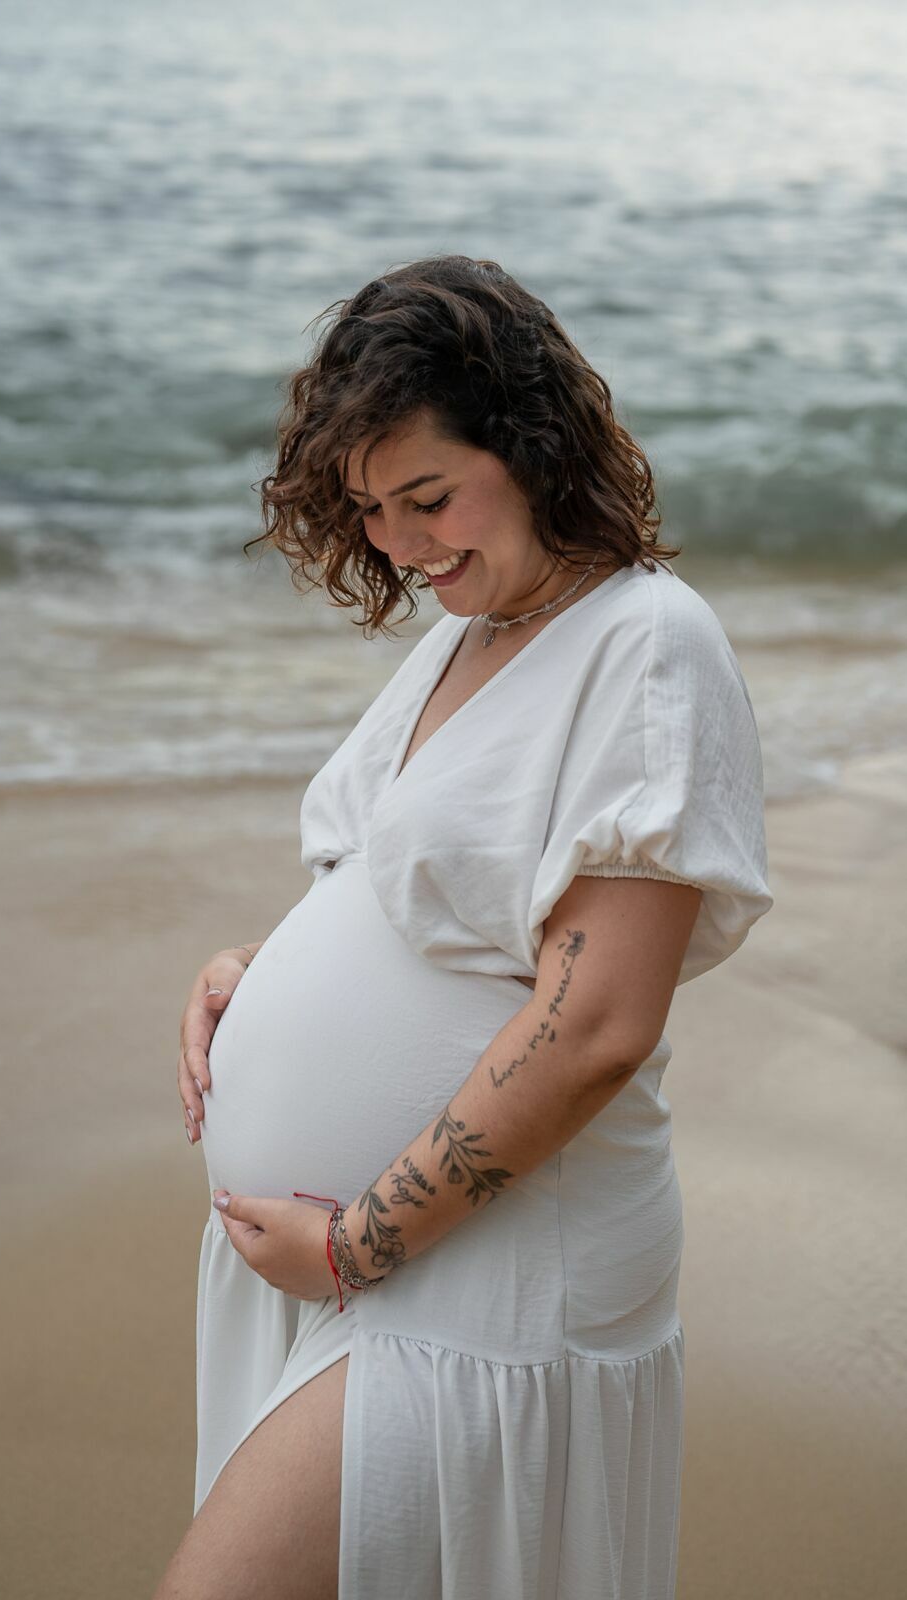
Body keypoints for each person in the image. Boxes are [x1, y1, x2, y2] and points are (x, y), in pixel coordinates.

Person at [153, 255, 773, 1600]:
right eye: (370, 509)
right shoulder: (469, 634)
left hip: (485, 1284)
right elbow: (430, 905)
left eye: (427, 497)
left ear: (533, 446)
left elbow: (597, 1024)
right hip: (373, 1270)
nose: (399, 544)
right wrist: (261, 972)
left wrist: (355, 1244)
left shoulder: (646, 647)